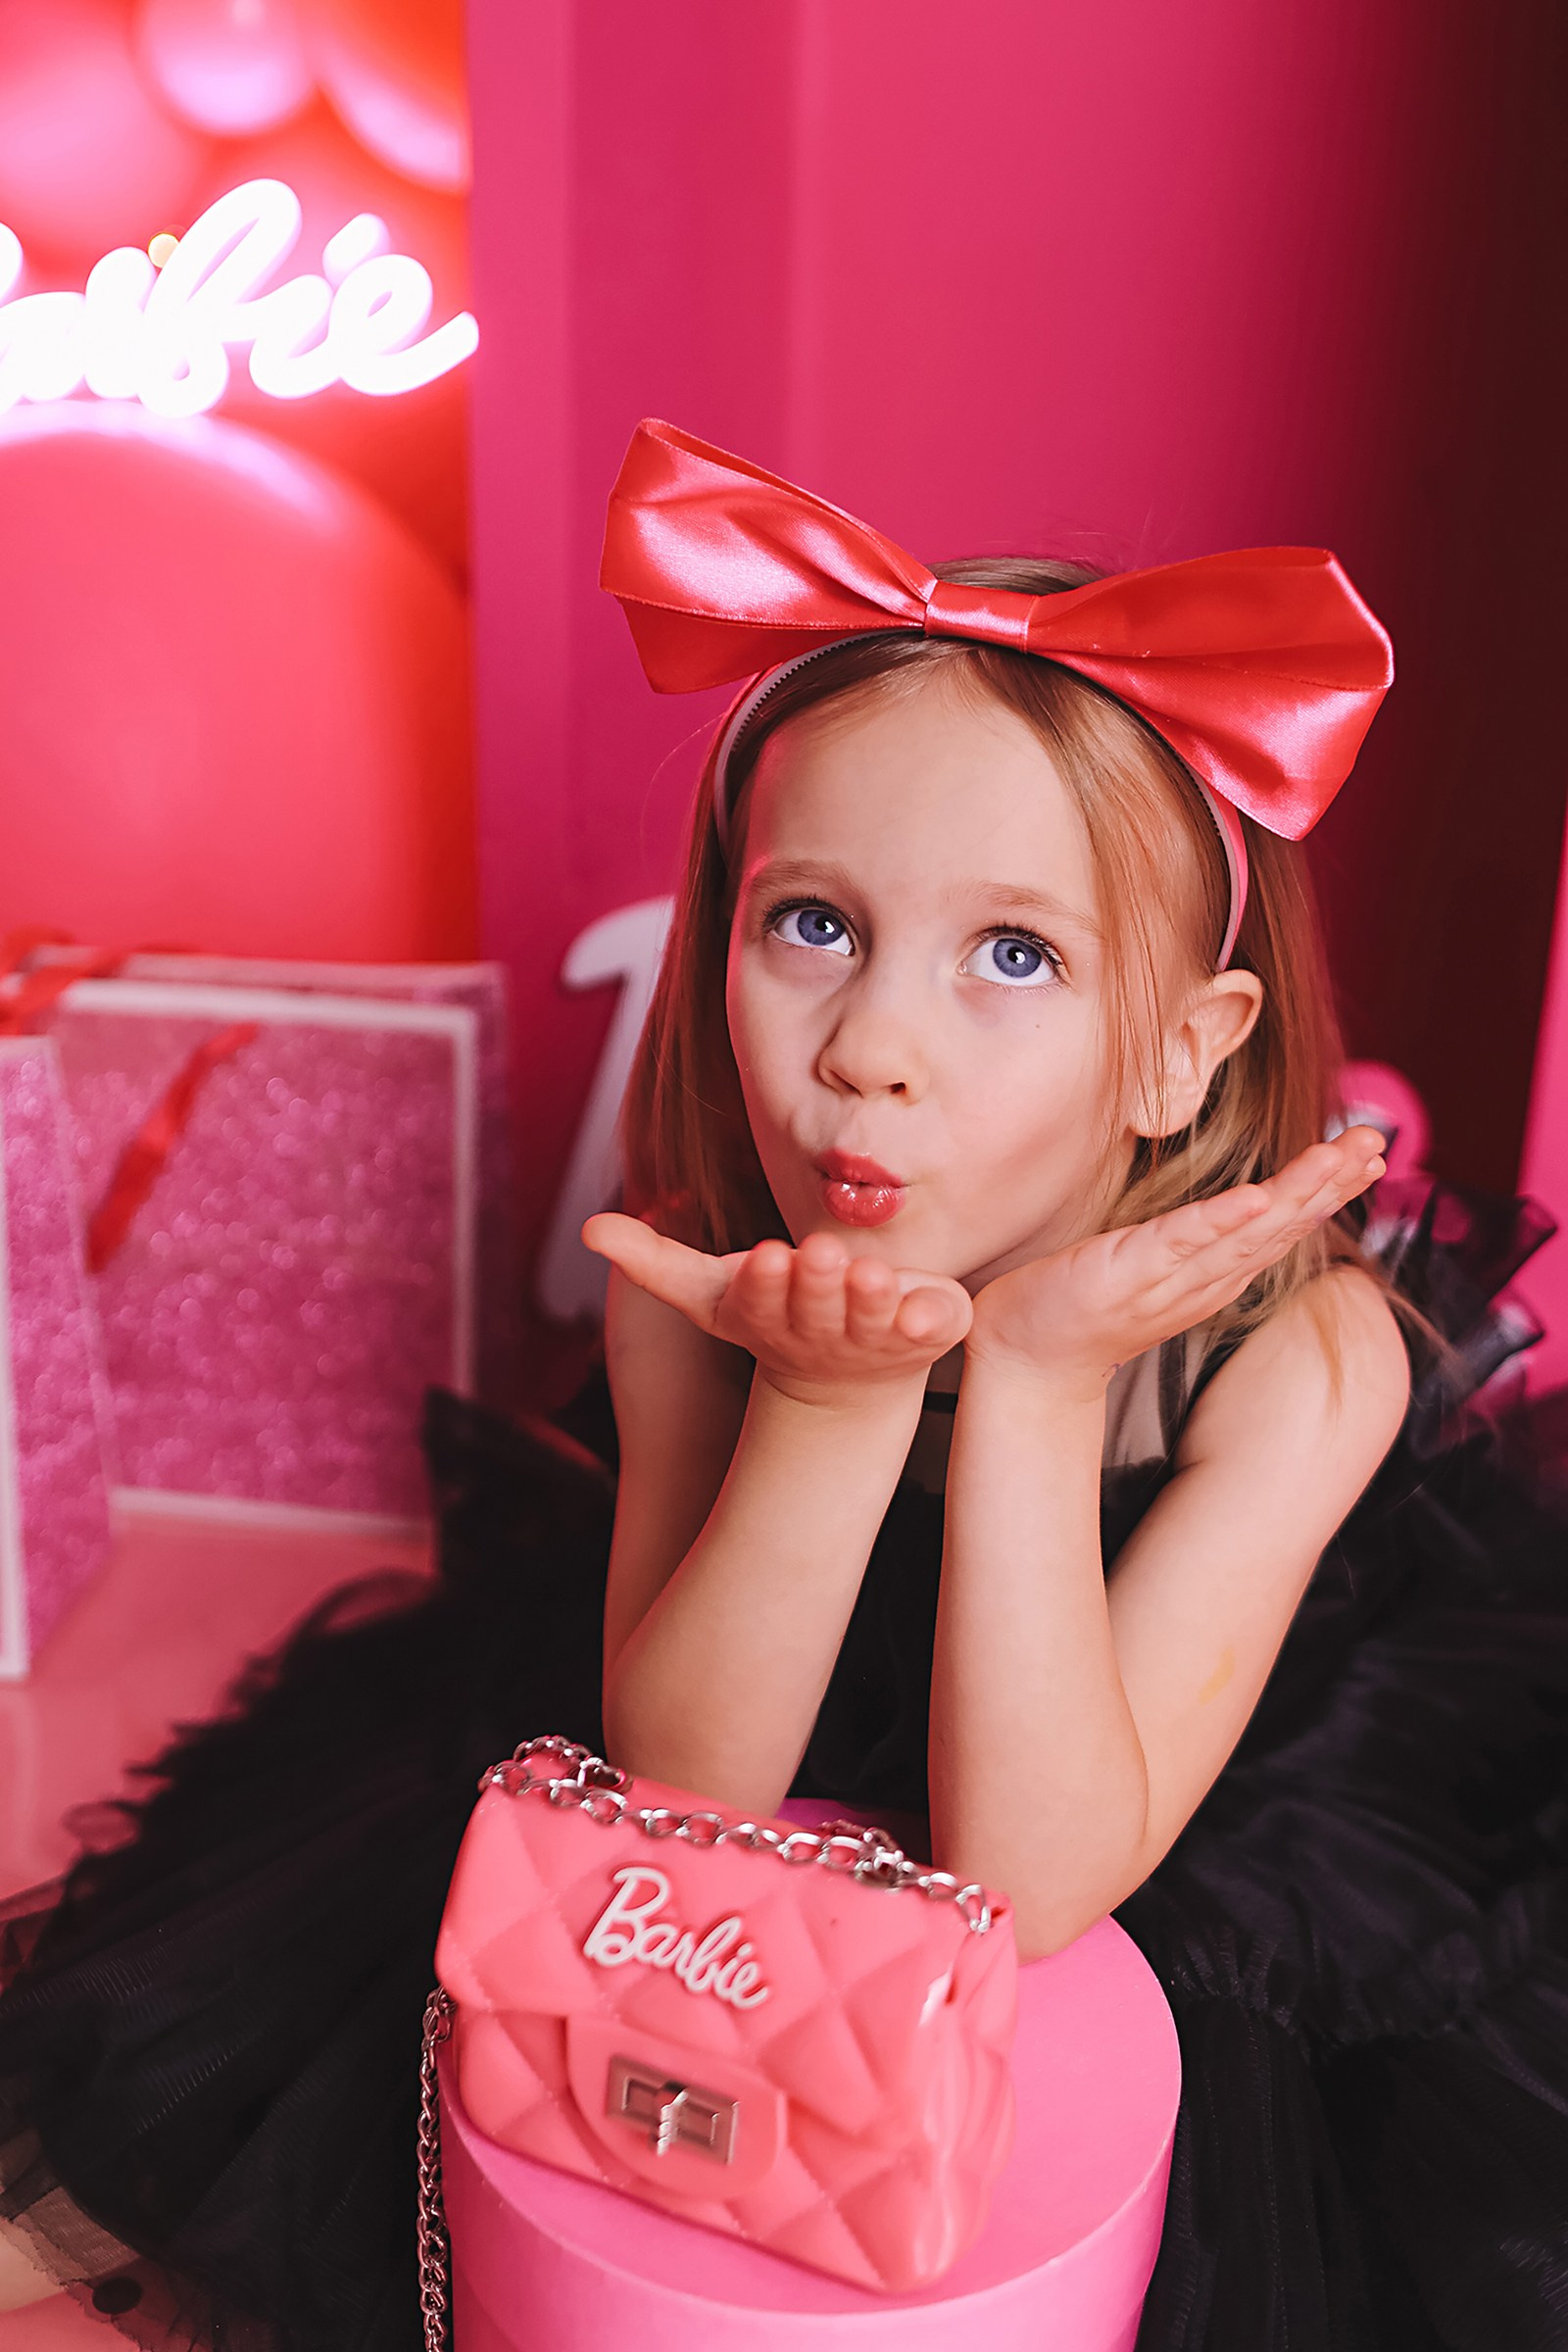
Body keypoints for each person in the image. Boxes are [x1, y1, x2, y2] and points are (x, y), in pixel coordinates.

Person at [2, 420, 1565, 2352]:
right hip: (749, 1829)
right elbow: (684, 1795)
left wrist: (1036, 1383)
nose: (869, 1046)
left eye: (1012, 953)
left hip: (1146, 1837)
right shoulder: (692, 1282)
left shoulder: (1298, 1357)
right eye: (810, 926)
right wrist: (825, 1409)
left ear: (1183, 1049)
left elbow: (1029, 1885)